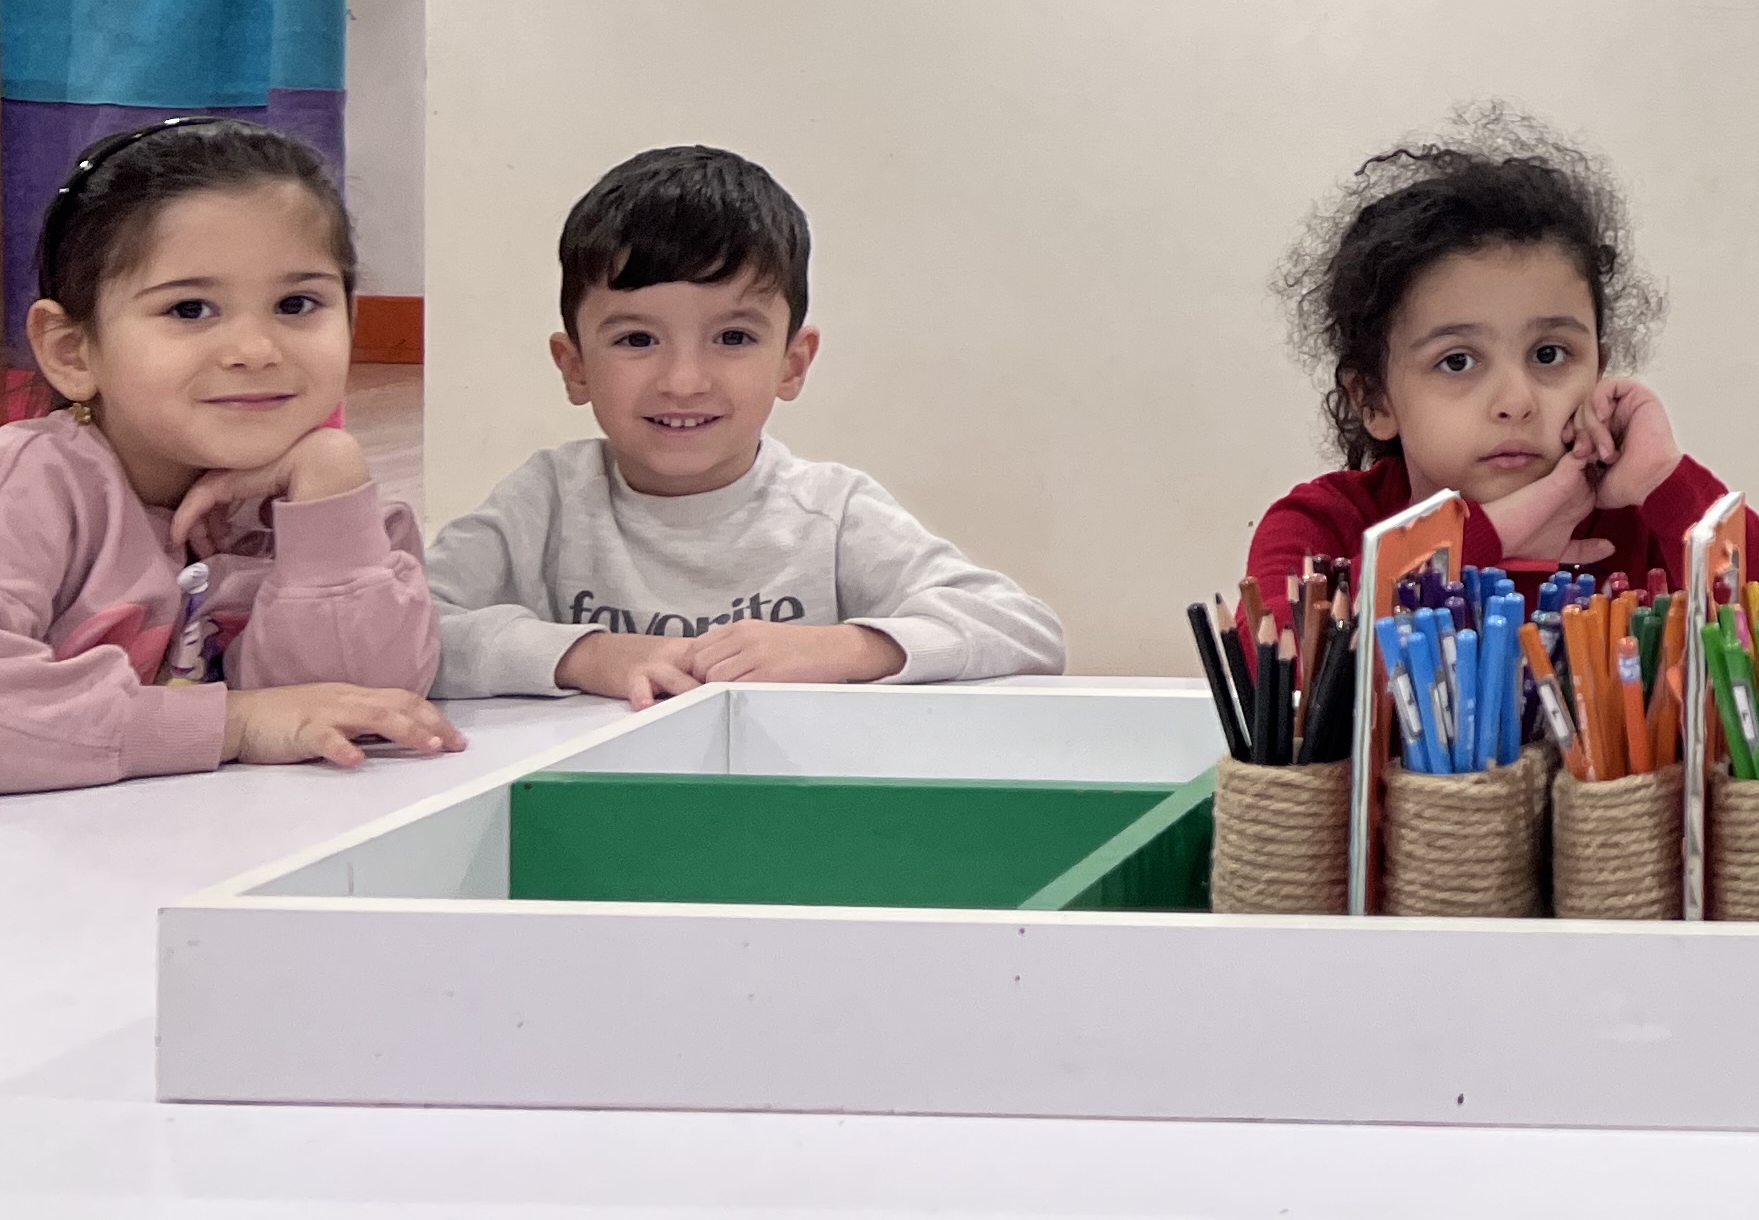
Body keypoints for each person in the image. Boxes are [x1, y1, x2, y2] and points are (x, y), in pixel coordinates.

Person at [430, 146, 1063, 701]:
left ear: (792, 363)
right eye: (636, 339)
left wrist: (843, 648)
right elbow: (406, 634)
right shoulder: (546, 502)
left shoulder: (832, 512)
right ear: (575, 368)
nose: (683, 381)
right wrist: (584, 655)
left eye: (733, 337)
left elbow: (1024, 630)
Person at [1, 118, 453, 788]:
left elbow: (360, 707)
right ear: (72, 352)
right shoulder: (29, 485)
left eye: (297, 303)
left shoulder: (330, 504)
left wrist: (329, 484)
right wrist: (234, 724)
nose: (256, 350)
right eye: (190, 310)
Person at [1250, 109, 1759, 601]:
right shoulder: (1321, 530)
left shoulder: (1650, 523)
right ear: (1373, 399)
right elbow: (1296, 669)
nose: (1517, 402)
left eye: (1549, 354)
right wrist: (1492, 535)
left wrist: (1667, 479)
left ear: (1599, 370)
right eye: (1458, 361)